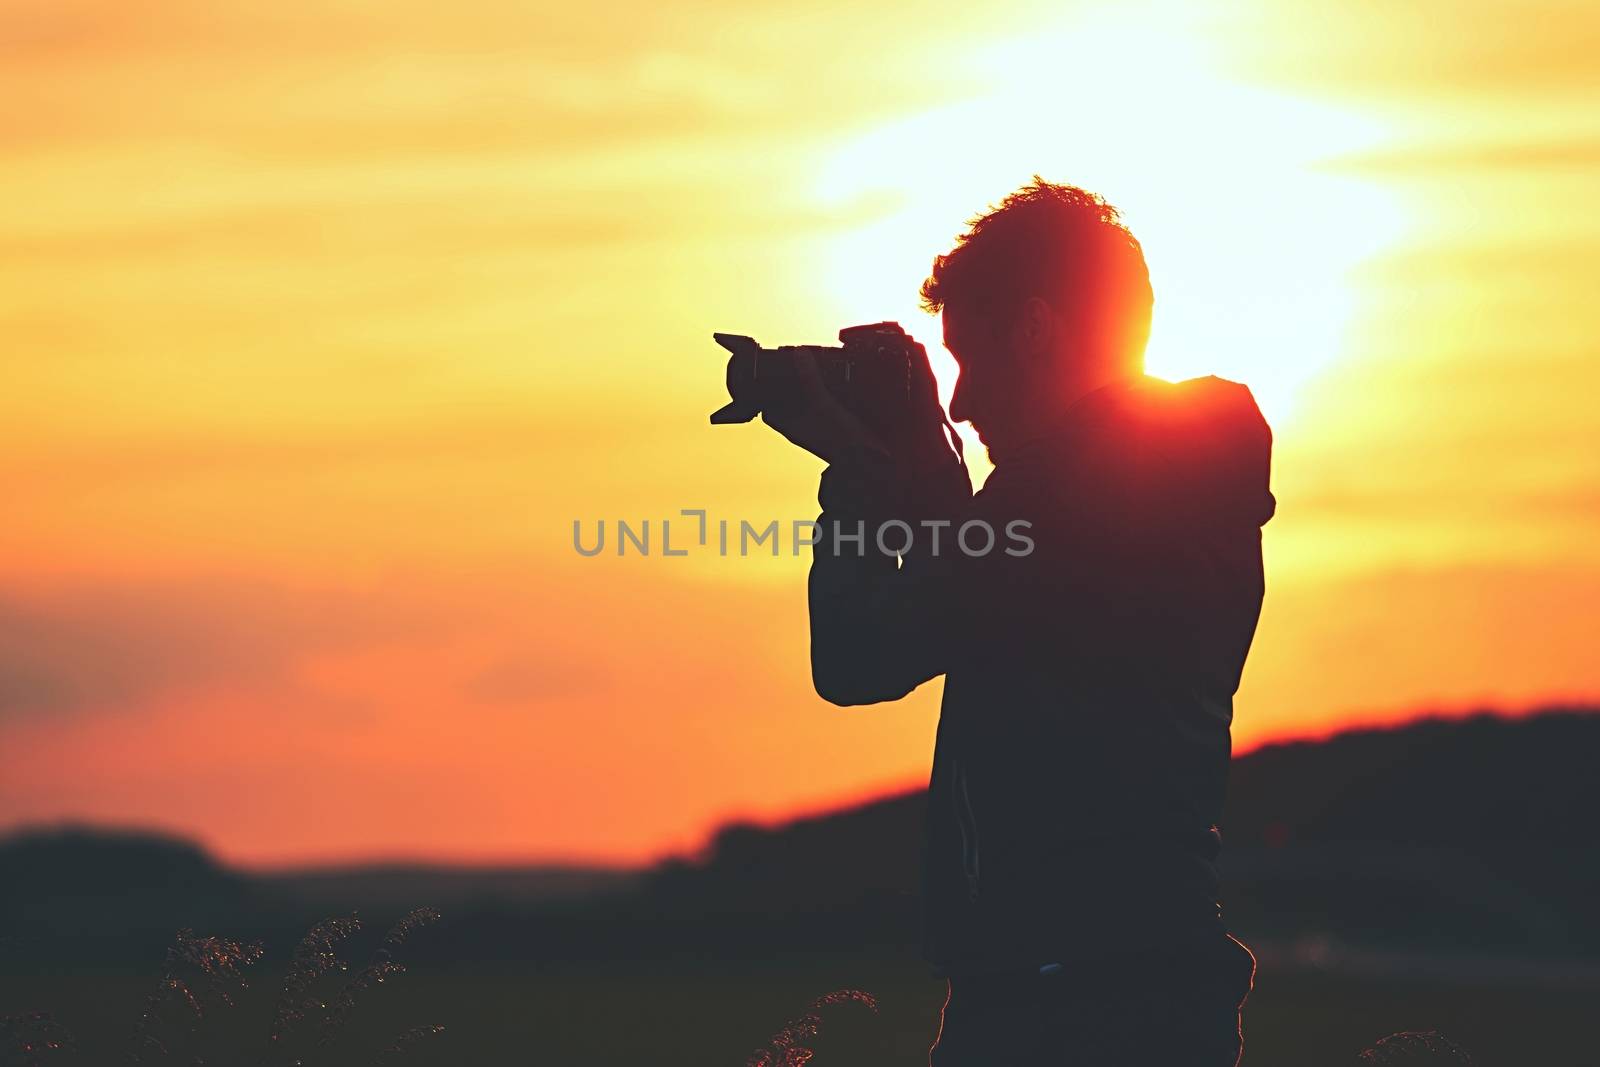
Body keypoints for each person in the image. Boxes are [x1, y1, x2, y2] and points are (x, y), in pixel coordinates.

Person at [760, 177, 1274, 1066]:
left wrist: (855, 473)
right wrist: (923, 458)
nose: (961, 403)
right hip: (1158, 986)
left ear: (1036, 329)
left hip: (1060, 1003)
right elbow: (990, 591)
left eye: (967, 358)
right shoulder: (1167, 484)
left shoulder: (1072, 493)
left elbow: (858, 656)